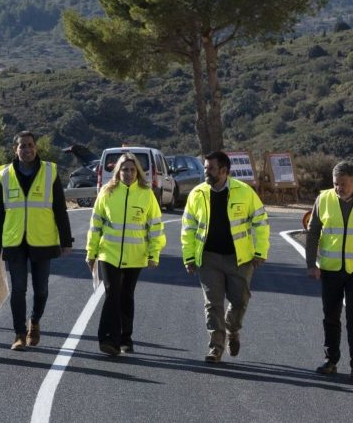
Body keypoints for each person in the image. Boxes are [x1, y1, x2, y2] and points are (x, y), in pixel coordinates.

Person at [181, 151, 269, 363]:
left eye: (210, 168)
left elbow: (261, 223)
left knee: (240, 300)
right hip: (208, 258)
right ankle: (216, 347)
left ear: (224, 170)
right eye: (205, 167)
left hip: (239, 259)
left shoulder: (244, 192)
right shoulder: (197, 194)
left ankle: (233, 329)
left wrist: (260, 252)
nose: (206, 172)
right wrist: (189, 257)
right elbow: (188, 227)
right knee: (213, 304)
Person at [0, 130, 73, 351]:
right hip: (14, 241)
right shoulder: (5, 174)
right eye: (22, 146)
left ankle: (34, 322)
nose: (27, 150)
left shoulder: (50, 171)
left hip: (42, 240)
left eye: (30, 145)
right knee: (18, 289)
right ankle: (18, 334)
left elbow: (60, 209)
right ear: (15, 150)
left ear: (36, 147)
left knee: (42, 290)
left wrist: (66, 240)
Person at [86, 153, 166, 356]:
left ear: (137, 172)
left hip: (135, 255)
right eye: (124, 169)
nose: (128, 173)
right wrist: (91, 252)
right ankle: (107, 340)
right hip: (108, 253)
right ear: (118, 172)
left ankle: (125, 338)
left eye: (132, 170)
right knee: (112, 292)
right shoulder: (107, 192)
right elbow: (96, 224)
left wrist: (153, 254)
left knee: (126, 296)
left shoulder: (146, 194)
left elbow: (155, 226)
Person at [306, 160, 353, 380]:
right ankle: (331, 360)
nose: (338, 187)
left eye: (343, 183)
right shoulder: (323, 199)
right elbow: (313, 232)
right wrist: (310, 264)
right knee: (331, 317)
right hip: (331, 270)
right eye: (336, 183)